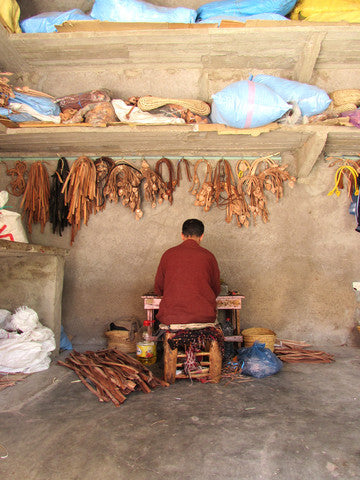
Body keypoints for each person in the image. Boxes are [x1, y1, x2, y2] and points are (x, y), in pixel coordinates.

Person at [154, 218, 220, 326]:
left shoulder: (168, 254)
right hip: (203, 317)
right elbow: (216, 290)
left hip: (171, 317)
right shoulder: (209, 256)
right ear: (202, 236)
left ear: (182, 235)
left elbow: (158, 288)